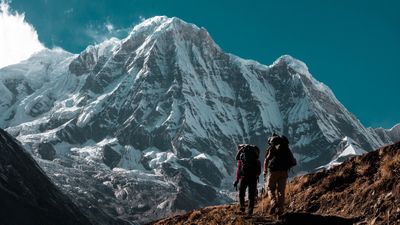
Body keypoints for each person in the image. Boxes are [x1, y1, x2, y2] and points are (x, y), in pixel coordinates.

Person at [264, 134, 296, 215]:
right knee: (281, 191)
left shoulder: (273, 147)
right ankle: (280, 210)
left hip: (273, 171)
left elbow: (267, 159)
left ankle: (273, 202)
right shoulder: (286, 148)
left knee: (270, 188)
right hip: (284, 172)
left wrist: (265, 171)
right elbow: (293, 161)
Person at [233, 144, 261, 216]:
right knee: (251, 195)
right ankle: (250, 212)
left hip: (244, 177)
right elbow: (259, 172)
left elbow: (239, 170)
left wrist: (237, 180)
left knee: (241, 193)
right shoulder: (256, 160)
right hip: (253, 178)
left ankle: (242, 207)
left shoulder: (242, 158)